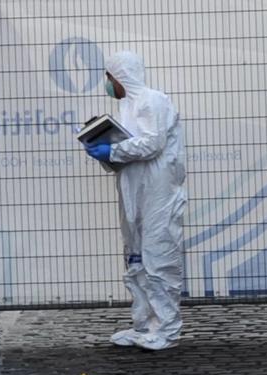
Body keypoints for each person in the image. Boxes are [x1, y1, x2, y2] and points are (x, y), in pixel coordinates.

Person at [83, 51, 187, 351]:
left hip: (159, 194)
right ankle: (144, 324)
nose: (107, 83)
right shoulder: (129, 105)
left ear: (121, 76)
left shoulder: (153, 100)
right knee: (136, 258)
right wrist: (107, 149)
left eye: (109, 77)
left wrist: (113, 151)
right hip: (135, 192)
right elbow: (134, 143)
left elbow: (152, 144)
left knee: (159, 259)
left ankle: (166, 329)